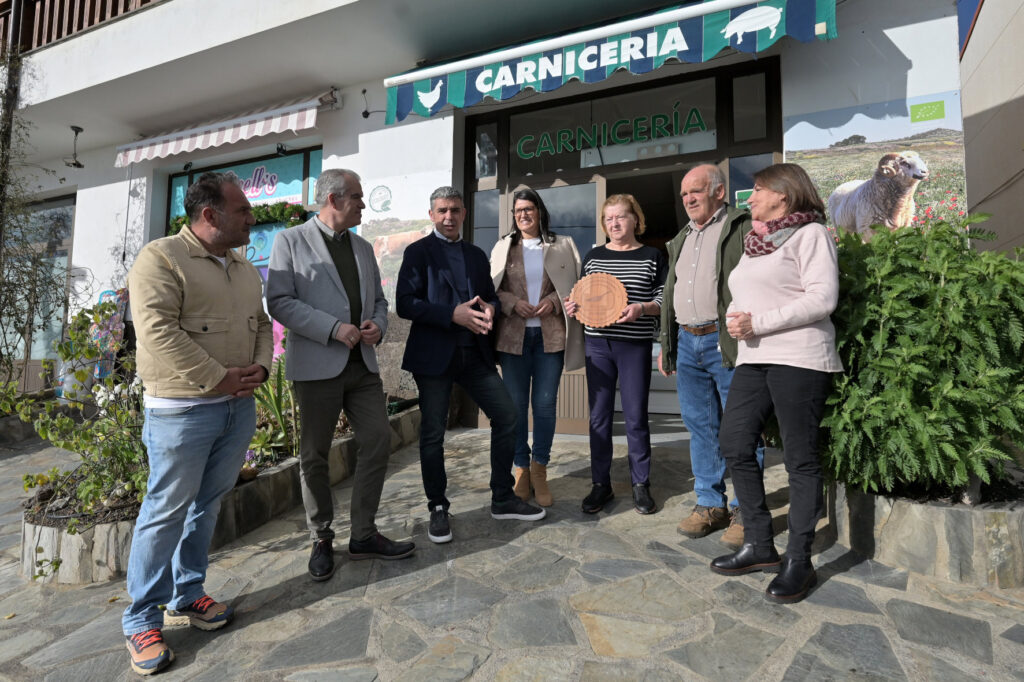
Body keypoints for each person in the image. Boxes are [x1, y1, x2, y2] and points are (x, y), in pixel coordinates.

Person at [122, 171, 272, 675]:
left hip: (236, 409)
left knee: (205, 506)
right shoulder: (160, 258)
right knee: (165, 510)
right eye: (243, 210)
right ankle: (141, 618)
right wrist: (217, 378)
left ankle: (187, 594)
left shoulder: (243, 268)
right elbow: (156, 331)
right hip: (180, 411)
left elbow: (261, 324)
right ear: (211, 214)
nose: (252, 217)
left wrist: (261, 367)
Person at [267, 168, 415, 583]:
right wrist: (333, 328)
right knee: (314, 455)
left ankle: (363, 534)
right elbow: (279, 301)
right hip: (317, 368)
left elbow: (380, 301)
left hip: (362, 366)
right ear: (332, 199)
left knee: (378, 440)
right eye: (357, 197)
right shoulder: (290, 241)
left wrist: (378, 326)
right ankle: (321, 537)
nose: (363, 204)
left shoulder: (364, 248)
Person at [710, 163, 842, 604]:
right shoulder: (756, 242)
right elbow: (745, 295)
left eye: (757, 190)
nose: (749, 198)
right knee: (733, 442)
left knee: (800, 459)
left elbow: (822, 299)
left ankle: (799, 561)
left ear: (782, 195)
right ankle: (759, 545)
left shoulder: (811, 235)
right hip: (754, 357)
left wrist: (758, 322)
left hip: (799, 358)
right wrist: (737, 319)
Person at [396, 186, 546, 544]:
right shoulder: (417, 252)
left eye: (455, 210)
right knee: (433, 433)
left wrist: (491, 308)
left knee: (507, 416)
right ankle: (437, 506)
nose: (449, 217)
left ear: (464, 213)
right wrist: (452, 314)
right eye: (442, 210)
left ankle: (502, 497)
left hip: (474, 355)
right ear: (431, 214)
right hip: (434, 356)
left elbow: (489, 296)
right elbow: (405, 303)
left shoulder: (476, 255)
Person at [658, 164, 765, 548]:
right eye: (684, 194)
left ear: (719, 192)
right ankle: (709, 503)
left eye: (696, 191)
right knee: (700, 426)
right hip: (688, 342)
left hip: (727, 341)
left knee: (741, 428)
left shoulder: (742, 227)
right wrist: (668, 344)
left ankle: (745, 508)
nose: (688, 199)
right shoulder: (682, 237)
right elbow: (671, 292)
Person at [565, 194, 666, 515]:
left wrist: (643, 308)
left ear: (635, 219)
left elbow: (664, 297)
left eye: (621, 216)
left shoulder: (652, 256)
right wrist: (573, 306)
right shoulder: (594, 256)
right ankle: (601, 484)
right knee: (599, 417)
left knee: (635, 416)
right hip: (597, 345)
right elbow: (583, 295)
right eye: (609, 219)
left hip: (634, 346)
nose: (615, 223)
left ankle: (640, 484)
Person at [490, 188, 584, 507]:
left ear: (539, 211)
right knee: (516, 407)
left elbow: (577, 286)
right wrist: (512, 303)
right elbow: (492, 289)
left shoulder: (563, 244)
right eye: (518, 211)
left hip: (550, 337)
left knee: (544, 405)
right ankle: (521, 469)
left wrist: (554, 301)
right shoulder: (503, 246)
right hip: (513, 338)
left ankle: (539, 468)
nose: (523, 215)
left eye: (529, 209)